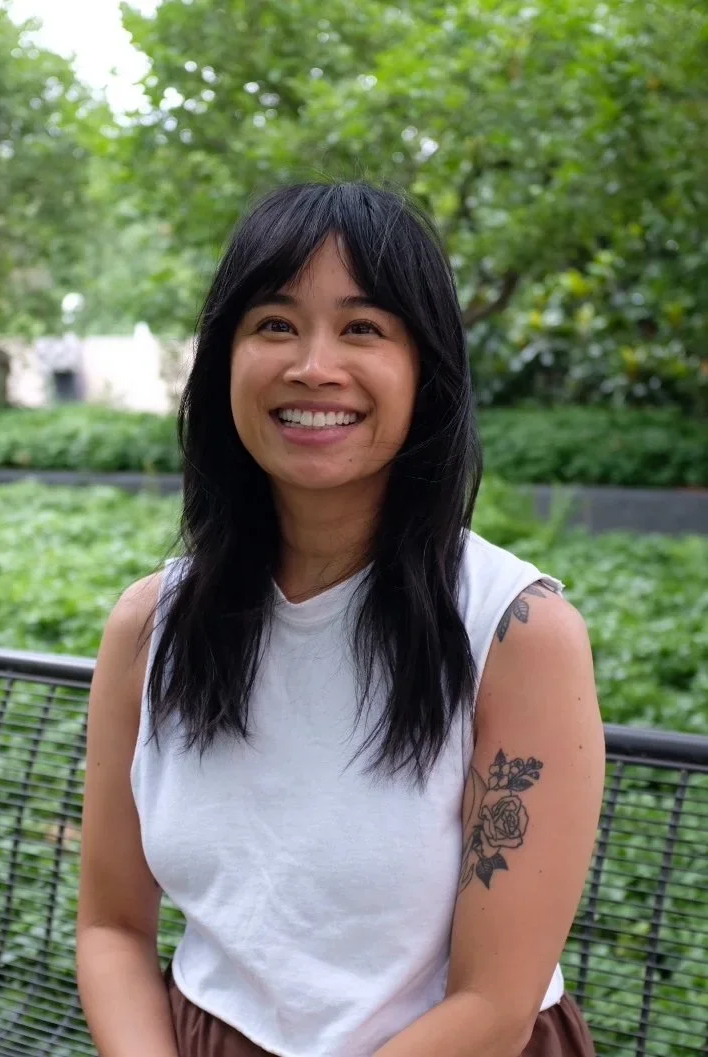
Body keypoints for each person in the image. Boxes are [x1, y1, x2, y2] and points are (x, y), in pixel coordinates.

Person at [76, 181, 605, 1057]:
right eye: (274, 324)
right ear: (223, 363)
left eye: (362, 328)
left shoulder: (516, 632)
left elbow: (493, 1001)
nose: (312, 366)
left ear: (425, 371)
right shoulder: (151, 626)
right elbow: (112, 929)